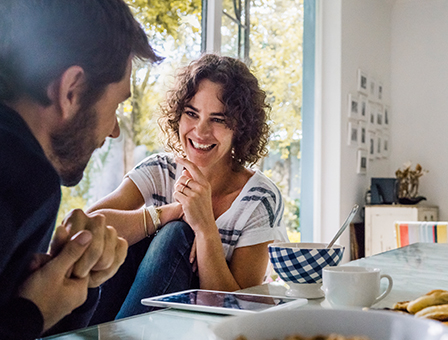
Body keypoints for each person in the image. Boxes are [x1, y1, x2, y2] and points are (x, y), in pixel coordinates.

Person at [87, 54, 289, 323]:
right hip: (117, 314)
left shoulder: (259, 198)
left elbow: (237, 313)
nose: (200, 131)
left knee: (175, 235)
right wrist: (171, 212)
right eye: (192, 114)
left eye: (218, 119)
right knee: (136, 235)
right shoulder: (160, 170)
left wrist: (205, 228)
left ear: (240, 128)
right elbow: (84, 229)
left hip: (204, 328)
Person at [0, 0, 161, 339]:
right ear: (71, 90)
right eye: (116, 104)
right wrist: (32, 313)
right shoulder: (26, 177)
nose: (114, 129)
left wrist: (71, 285)